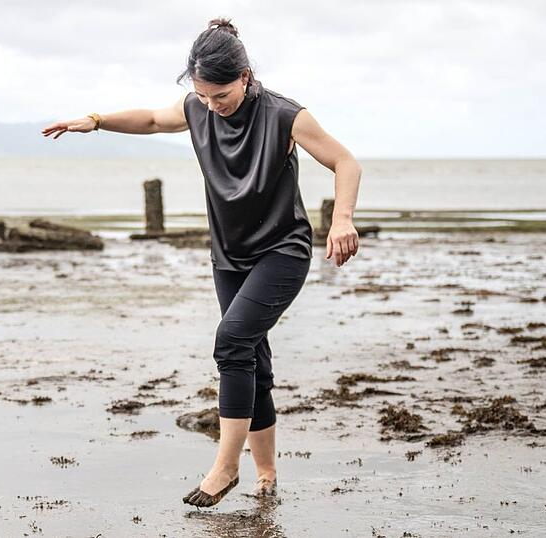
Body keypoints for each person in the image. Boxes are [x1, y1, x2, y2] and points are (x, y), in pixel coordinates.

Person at [41, 17, 361, 508]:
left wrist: (341, 220)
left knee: (231, 343)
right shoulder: (198, 106)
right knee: (253, 357)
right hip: (229, 256)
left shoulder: (284, 116)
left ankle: (226, 465)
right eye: (204, 97)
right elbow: (151, 120)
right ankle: (267, 474)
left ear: (246, 77)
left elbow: (346, 163)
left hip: (282, 251)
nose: (213, 107)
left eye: (223, 97)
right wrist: (97, 120)